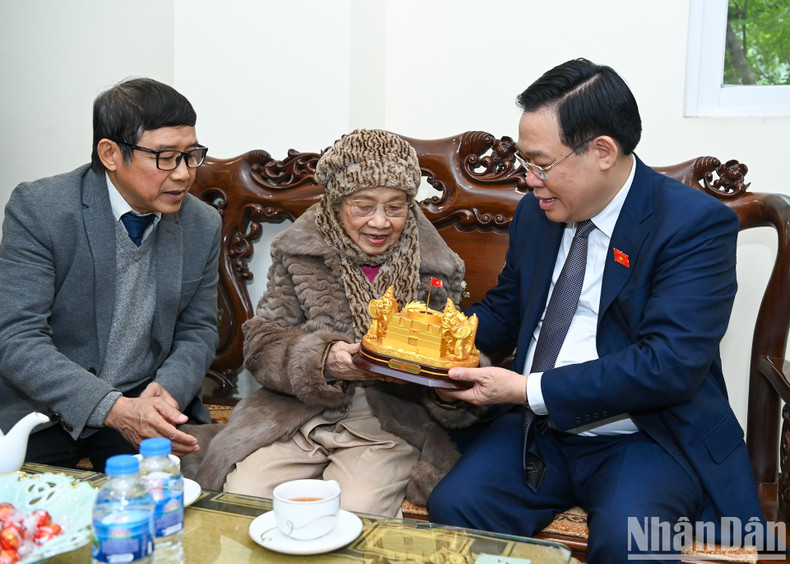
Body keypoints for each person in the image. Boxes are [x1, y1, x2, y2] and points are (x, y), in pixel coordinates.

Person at [427, 59, 767, 562]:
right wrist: (438, 344)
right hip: (536, 429)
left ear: (602, 152)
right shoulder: (537, 214)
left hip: (644, 435)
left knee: (631, 544)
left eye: (540, 164)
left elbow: (668, 364)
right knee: (456, 506)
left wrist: (526, 388)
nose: (530, 180)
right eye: (526, 163)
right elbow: (508, 306)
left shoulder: (694, 226)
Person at [180, 129, 480, 517]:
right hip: (296, 414)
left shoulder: (436, 267)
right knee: (245, 496)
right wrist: (322, 362)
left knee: (357, 509)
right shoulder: (298, 250)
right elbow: (261, 344)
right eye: (363, 206)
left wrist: (445, 382)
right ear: (337, 202)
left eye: (395, 207)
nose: (380, 222)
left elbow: (444, 351)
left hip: (387, 422)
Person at [0, 77, 221, 472]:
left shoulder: (202, 223)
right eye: (166, 156)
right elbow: (15, 337)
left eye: (191, 155)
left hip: (144, 399)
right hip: (44, 407)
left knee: (173, 503)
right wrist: (112, 408)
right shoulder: (41, 210)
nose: (185, 174)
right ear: (110, 154)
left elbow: (199, 330)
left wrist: (167, 393)